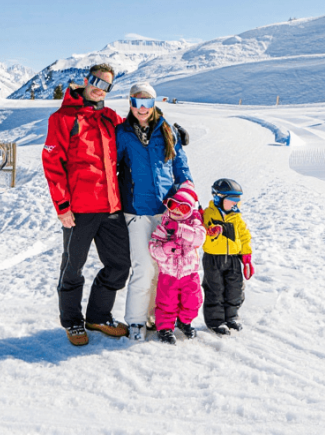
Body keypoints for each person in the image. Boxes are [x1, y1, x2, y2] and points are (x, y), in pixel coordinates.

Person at [42, 63, 130, 346]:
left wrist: (168, 134)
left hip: (111, 208)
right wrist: (63, 206)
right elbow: (52, 163)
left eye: (105, 85)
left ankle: (98, 316)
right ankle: (72, 321)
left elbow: (137, 137)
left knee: (119, 264)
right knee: (73, 267)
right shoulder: (63, 118)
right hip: (79, 209)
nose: (99, 87)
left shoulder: (111, 118)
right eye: (96, 81)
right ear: (86, 80)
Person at [116, 82, 193, 341]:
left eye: (147, 103)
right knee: (143, 267)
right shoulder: (123, 133)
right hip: (137, 210)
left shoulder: (167, 130)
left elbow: (181, 169)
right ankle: (136, 321)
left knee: (164, 267)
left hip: (167, 210)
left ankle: (156, 316)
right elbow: (111, 167)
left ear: (154, 104)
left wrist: (186, 197)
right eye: (137, 103)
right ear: (130, 104)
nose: (142, 108)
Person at [148, 184, 206, 345]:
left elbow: (199, 238)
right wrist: (165, 249)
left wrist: (180, 229)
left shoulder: (194, 225)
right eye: (173, 205)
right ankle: (165, 328)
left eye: (183, 208)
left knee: (193, 300)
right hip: (169, 275)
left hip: (190, 274)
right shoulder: (163, 227)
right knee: (167, 302)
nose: (177, 211)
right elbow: (153, 248)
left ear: (190, 210)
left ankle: (185, 321)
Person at [201, 178, 253, 335]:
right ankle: (215, 321)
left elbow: (244, 236)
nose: (235, 204)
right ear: (219, 198)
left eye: (238, 200)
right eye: (232, 200)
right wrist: (210, 232)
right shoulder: (208, 214)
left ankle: (231, 317)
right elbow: (201, 233)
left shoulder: (236, 217)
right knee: (215, 289)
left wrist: (246, 257)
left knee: (235, 288)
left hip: (233, 259)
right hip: (213, 258)